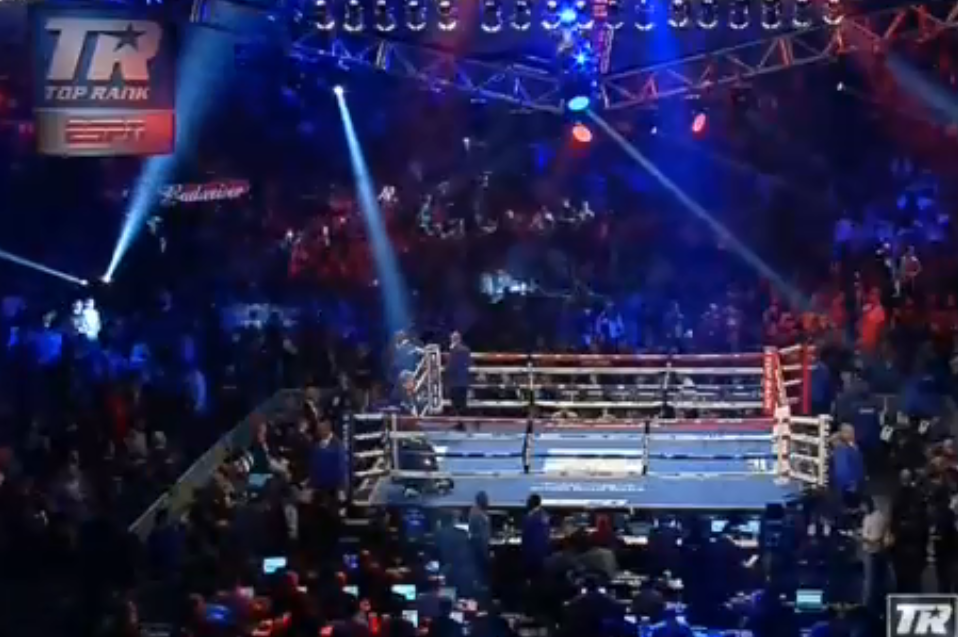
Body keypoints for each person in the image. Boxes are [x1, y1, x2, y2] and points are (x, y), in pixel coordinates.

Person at [860, 496, 890, 613]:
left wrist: (860, 538)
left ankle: (868, 607)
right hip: (869, 551)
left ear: (867, 505)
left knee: (871, 582)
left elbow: (875, 540)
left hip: (874, 553)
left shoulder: (878, 518)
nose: (861, 508)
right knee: (871, 581)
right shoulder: (867, 517)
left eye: (862, 506)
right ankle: (873, 605)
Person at [309, 413, 347, 502]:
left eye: (321, 429)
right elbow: (313, 466)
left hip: (333, 491)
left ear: (328, 428)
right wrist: (310, 485)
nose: (319, 431)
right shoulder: (315, 444)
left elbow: (341, 468)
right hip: (318, 489)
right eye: (318, 429)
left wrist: (341, 489)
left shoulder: (338, 445)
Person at [521, 494, 550, 579]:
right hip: (541, 553)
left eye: (528, 501)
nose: (527, 502)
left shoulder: (531, 516)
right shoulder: (544, 515)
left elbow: (527, 534)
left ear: (533, 502)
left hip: (533, 553)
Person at [447, 332, 472, 415]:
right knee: (462, 403)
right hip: (462, 380)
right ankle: (461, 419)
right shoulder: (466, 349)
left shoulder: (453, 350)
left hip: (455, 381)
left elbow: (450, 365)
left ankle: (459, 419)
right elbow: (469, 363)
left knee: (456, 403)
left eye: (453, 339)